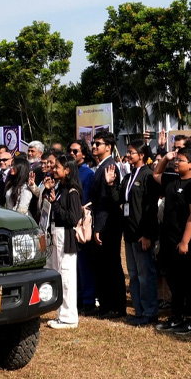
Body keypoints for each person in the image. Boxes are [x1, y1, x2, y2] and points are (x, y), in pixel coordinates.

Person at [106, 140, 159, 326]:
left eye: (131, 152)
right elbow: (119, 200)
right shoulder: (128, 177)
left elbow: (151, 209)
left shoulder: (148, 176)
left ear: (142, 155)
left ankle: (150, 312)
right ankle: (139, 310)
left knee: (146, 275)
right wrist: (111, 184)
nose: (128, 155)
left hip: (141, 234)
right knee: (135, 275)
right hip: (129, 234)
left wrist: (147, 234)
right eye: (127, 152)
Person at [153, 147, 191, 333]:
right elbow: (156, 173)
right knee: (174, 279)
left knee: (189, 279)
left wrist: (185, 241)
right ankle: (176, 316)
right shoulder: (171, 179)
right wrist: (166, 158)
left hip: (186, 240)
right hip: (168, 239)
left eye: (180, 160)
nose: (177, 162)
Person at [89, 131, 126, 319]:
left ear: (108, 147)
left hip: (108, 223)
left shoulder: (110, 167)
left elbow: (106, 201)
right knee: (104, 266)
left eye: (98, 143)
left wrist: (99, 227)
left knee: (111, 265)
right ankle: (106, 304)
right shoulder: (101, 165)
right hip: (102, 219)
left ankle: (115, 306)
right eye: (93, 143)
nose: (94, 146)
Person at [44, 155, 83, 329]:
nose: (54, 170)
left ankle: (69, 317)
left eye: (57, 167)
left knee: (66, 276)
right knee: (58, 274)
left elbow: (73, 218)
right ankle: (61, 314)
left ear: (67, 170)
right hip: (55, 233)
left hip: (65, 238)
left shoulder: (72, 191)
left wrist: (56, 204)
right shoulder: (60, 188)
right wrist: (49, 193)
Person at [69, 139, 97, 314]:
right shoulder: (69, 172)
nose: (71, 153)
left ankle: (88, 300)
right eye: (70, 151)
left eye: (75, 151)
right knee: (74, 264)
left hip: (81, 222)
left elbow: (86, 200)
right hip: (69, 221)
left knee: (84, 264)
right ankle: (77, 298)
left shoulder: (87, 174)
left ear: (83, 154)